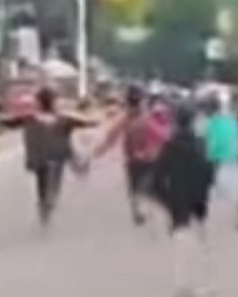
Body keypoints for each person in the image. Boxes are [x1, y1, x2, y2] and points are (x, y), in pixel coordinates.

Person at [151, 105, 216, 297]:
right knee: (199, 242)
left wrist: (166, 200)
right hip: (198, 200)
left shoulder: (169, 146)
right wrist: (204, 193)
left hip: (177, 200)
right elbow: (209, 172)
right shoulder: (201, 144)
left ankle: (182, 286)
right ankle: (200, 284)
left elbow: (157, 179)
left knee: (181, 244)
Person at [92, 85, 167, 224]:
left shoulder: (128, 118)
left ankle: (140, 210)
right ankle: (143, 209)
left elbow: (111, 138)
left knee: (137, 188)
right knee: (143, 187)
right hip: (146, 159)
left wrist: (97, 152)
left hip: (137, 160)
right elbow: (163, 137)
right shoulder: (147, 117)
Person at [20, 87, 93, 226]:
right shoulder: (64, 119)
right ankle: (49, 202)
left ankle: (44, 205)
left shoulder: (30, 119)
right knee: (53, 183)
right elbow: (86, 122)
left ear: (39, 103)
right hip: (56, 157)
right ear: (53, 102)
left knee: (42, 184)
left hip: (40, 159)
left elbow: (8, 122)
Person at [203, 96, 238, 201]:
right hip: (221, 147)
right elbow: (234, 132)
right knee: (217, 167)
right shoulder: (229, 119)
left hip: (215, 147)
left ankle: (212, 184)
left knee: (214, 166)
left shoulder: (214, 119)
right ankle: (214, 184)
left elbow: (206, 132)